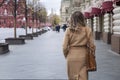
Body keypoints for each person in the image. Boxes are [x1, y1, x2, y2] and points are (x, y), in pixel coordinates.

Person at [62, 11, 96, 80]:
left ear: (72, 19)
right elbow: (92, 46)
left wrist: (67, 55)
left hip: (71, 56)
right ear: (82, 18)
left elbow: (64, 46)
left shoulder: (68, 30)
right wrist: (92, 54)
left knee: (72, 77)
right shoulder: (87, 29)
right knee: (83, 77)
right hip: (83, 56)